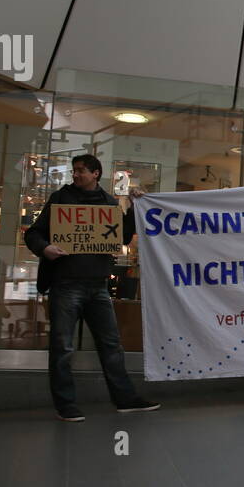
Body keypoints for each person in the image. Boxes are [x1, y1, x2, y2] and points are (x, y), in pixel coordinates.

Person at [25, 154, 159, 421]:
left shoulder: (109, 203)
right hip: (66, 283)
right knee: (63, 347)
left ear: (95, 174)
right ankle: (66, 405)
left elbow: (120, 236)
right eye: (74, 171)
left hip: (97, 285)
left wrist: (135, 208)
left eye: (81, 171)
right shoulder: (60, 199)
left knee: (111, 345)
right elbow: (33, 233)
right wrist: (45, 248)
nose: (75, 175)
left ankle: (125, 399)